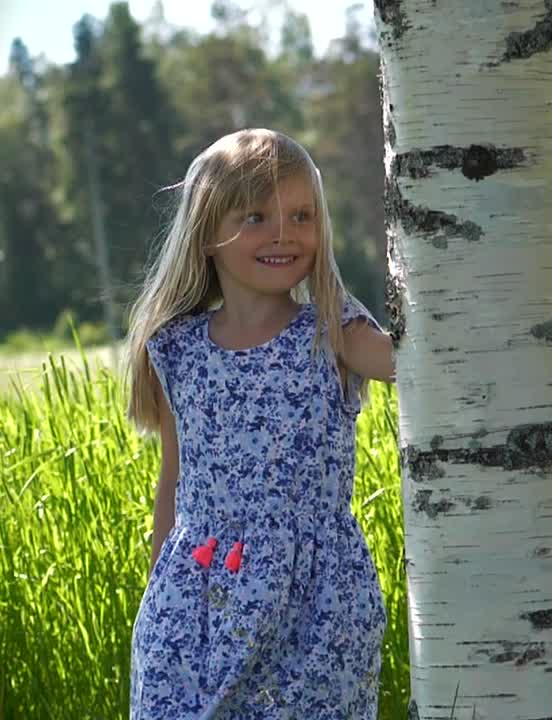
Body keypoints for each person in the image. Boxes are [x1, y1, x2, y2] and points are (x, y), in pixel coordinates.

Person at [125, 128, 395, 718]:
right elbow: (174, 483)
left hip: (315, 609)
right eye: (255, 217)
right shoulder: (177, 349)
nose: (283, 233)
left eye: (301, 216)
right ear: (207, 234)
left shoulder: (333, 331)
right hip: (195, 601)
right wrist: (158, 600)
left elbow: (412, 364)